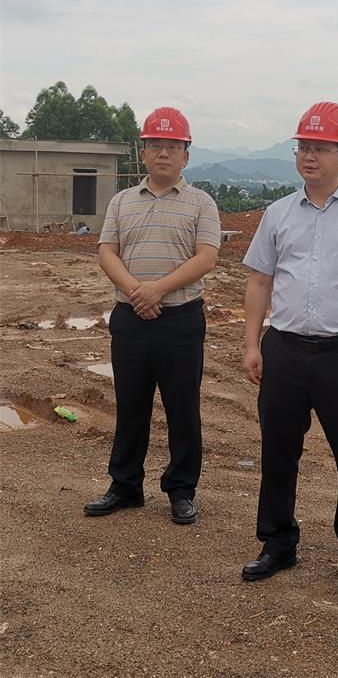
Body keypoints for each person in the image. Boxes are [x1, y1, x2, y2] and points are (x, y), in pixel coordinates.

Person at [241, 102, 338, 596]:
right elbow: (259, 281)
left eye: (321, 148)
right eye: (303, 147)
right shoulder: (277, 214)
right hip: (285, 350)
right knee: (278, 452)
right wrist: (252, 343)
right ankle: (277, 543)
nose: (309, 156)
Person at [84, 107, 221, 525]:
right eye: (155, 145)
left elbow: (206, 257)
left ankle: (181, 490)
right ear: (142, 153)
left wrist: (158, 289)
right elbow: (107, 252)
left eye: (172, 146)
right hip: (130, 318)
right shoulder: (122, 202)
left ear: (186, 156)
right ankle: (125, 486)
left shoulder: (201, 203)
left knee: (183, 409)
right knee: (130, 406)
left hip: (181, 321)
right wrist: (136, 291)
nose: (163, 153)